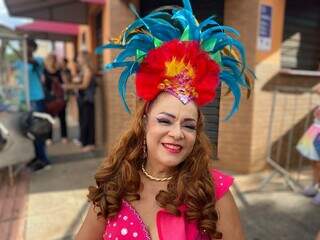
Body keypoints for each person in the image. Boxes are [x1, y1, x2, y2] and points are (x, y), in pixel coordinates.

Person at [76, 1, 253, 239]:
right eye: (165, 121)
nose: (177, 133)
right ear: (144, 121)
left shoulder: (213, 192)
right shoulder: (114, 185)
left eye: (188, 125)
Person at [15, 38, 51, 171]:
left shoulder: (38, 61)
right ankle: (36, 157)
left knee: (38, 131)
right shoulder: (18, 62)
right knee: (28, 132)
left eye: (26, 46)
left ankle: (44, 160)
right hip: (23, 101)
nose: (23, 47)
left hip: (36, 99)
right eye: (22, 45)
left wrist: (23, 53)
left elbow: (34, 64)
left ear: (32, 47)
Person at [63, 51, 96, 152]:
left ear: (84, 59)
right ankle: (83, 141)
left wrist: (69, 86)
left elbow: (85, 85)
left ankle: (90, 144)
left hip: (87, 99)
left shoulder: (88, 71)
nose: (77, 60)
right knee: (82, 120)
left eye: (79, 58)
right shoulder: (83, 70)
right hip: (82, 99)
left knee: (87, 122)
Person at [297, 104, 320, 205]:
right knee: (314, 162)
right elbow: (317, 88)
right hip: (316, 131)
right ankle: (315, 186)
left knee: (319, 163)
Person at [44, 53, 68, 144]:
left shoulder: (59, 71)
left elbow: (64, 83)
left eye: (54, 60)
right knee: (49, 119)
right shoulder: (44, 71)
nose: (53, 62)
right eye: (52, 60)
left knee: (62, 117)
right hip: (49, 99)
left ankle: (64, 136)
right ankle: (49, 137)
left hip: (60, 98)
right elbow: (44, 85)